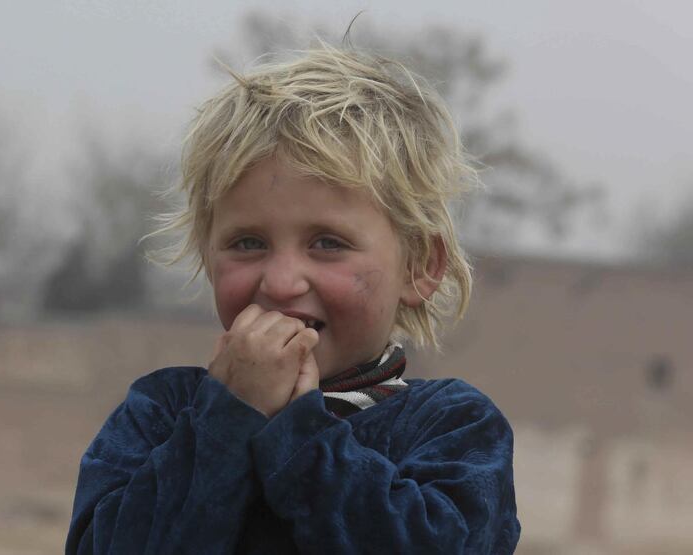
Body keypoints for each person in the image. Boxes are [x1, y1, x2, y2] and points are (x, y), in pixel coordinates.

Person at [66, 44, 520, 554]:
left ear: (420, 268)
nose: (281, 284)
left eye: (327, 243)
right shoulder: (163, 414)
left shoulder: (451, 428)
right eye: (248, 243)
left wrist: (299, 434)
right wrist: (227, 419)